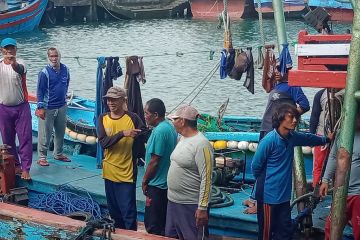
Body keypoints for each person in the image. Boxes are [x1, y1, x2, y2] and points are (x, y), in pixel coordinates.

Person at [252, 103, 332, 240]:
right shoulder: (269, 141)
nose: (295, 120)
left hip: (284, 197)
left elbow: (308, 138)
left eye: (296, 117)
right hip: (268, 198)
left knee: (285, 233)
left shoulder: (292, 137)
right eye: (291, 117)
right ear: (280, 118)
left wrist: (326, 139)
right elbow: (255, 167)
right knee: (266, 234)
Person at [244, 62, 310, 214]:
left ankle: (259, 203)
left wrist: (289, 118)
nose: (278, 72)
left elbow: (305, 105)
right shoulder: (276, 86)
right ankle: (254, 197)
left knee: (267, 168)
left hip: (274, 132)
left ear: (289, 72)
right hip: (265, 128)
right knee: (261, 166)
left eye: (282, 70)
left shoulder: (292, 86)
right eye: (277, 69)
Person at [96, 86, 145, 231]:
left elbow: (144, 134)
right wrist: (123, 133)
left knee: (128, 213)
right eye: (108, 99)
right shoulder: (103, 118)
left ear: (123, 100)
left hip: (127, 173)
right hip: (109, 171)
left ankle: (130, 235)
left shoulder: (133, 118)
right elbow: (104, 143)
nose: (110, 103)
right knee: (114, 212)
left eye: (114, 100)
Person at [166, 105, 213, 240]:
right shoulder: (181, 138)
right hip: (173, 202)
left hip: (190, 205)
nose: (172, 123)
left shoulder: (202, 144)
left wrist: (202, 208)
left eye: (174, 120)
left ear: (182, 121)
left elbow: (207, 178)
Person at [320, 107, 360, 240]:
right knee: (330, 228)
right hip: (341, 191)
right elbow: (332, 157)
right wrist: (325, 180)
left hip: (358, 195)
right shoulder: (341, 133)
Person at [142, 98, 177, 236]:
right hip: (166, 183)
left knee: (152, 225)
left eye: (146, 113)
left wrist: (145, 181)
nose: (145, 116)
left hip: (157, 185)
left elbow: (154, 160)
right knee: (163, 223)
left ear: (156, 115)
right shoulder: (169, 127)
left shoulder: (159, 132)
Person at [0, 38, 32, 180]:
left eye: (12, 48)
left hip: (21, 107)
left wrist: (13, 62)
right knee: (7, 140)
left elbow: (19, 69)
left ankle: (26, 168)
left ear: (16, 50)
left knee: (25, 138)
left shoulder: (21, 63)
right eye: (6, 49)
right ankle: (16, 165)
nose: (9, 51)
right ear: (2, 50)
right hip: (3, 108)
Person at [35, 47, 70, 166]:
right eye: (51, 56)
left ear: (59, 56)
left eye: (56, 56)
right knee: (45, 134)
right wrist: (40, 106)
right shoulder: (44, 72)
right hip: (48, 107)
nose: (54, 58)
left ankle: (58, 154)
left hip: (62, 106)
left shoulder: (66, 69)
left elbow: (67, 84)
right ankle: (42, 157)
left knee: (60, 132)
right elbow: (40, 90)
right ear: (48, 57)